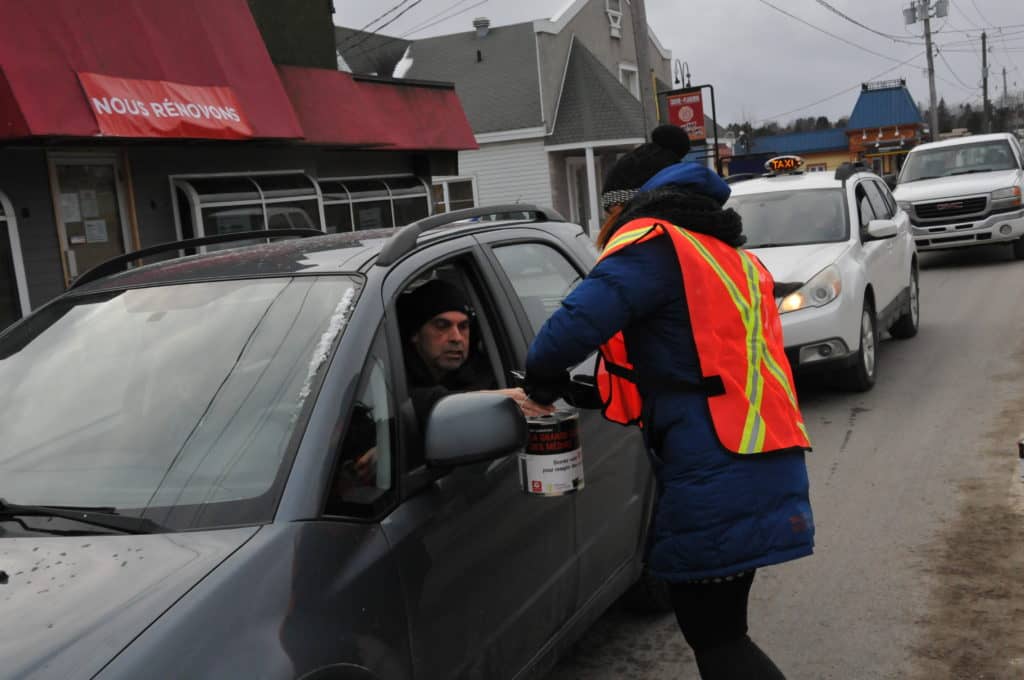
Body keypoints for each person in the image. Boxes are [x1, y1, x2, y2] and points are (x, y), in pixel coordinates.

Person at [524, 125, 814, 680]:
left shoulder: (653, 245)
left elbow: (568, 331)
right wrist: (582, 389)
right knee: (724, 632)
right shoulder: (720, 250)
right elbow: (687, 361)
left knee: (719, 641)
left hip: (717, 467)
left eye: (609, 213)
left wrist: (539, 376)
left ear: (624, 204)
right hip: (758, 452)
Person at [398, 278, 552, 430]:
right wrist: (482, 400)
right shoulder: (391, 375)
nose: (456, 338)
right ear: (415, 334)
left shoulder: (486, 374)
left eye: (463, 326)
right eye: (442, 326)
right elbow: (406, 406)